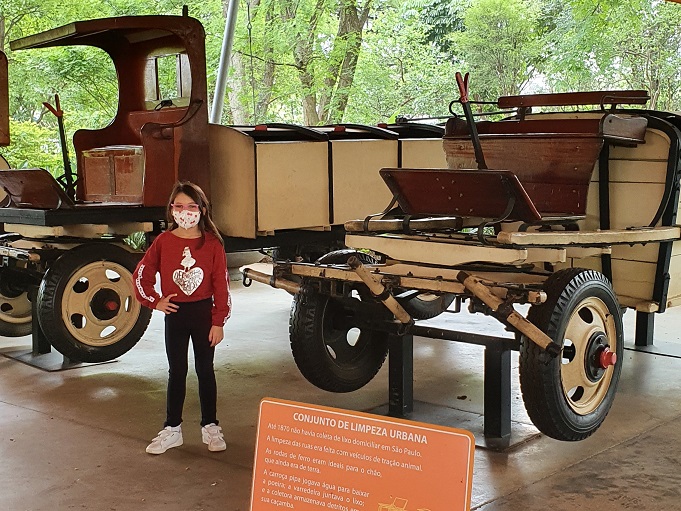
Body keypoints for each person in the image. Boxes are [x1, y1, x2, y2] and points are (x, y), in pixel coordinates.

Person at [133, 181, 231, 454]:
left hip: (203, 314)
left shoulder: (212, 244)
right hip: (175, 315)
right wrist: (155, 300)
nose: (185, 212)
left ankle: (210, 426)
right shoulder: (164, 242)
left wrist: (218, 321)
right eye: (179, 206)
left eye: (191, 206)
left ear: (201, 209)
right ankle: (172, 428)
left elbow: (222, 284)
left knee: (205, 370)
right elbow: (142, 273)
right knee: (177, 371)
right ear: (171, 209)